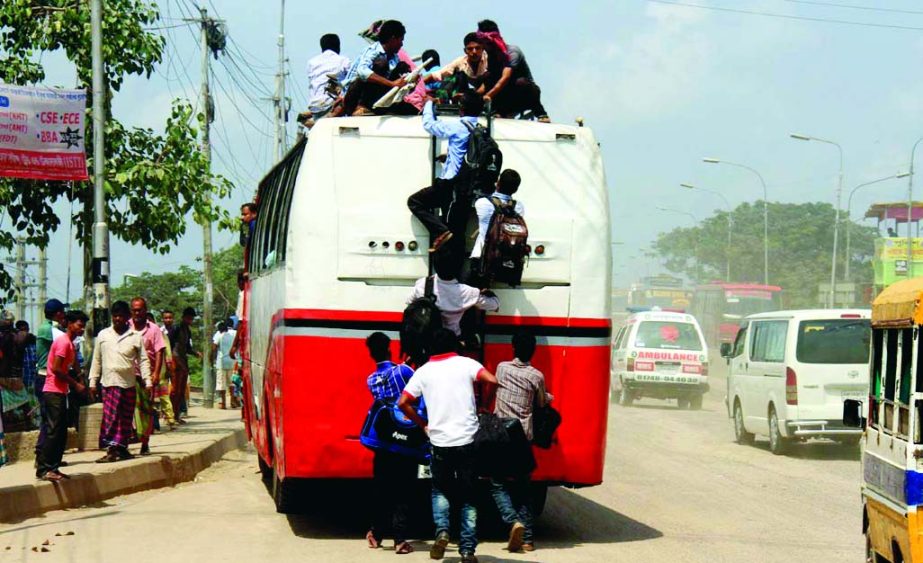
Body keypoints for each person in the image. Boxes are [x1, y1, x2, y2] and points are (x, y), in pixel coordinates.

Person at [398, 329, 498, 563]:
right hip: (468, 440)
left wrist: (423, 424)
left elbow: (403, 402)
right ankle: (467, 551)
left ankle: (442, 531)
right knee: (469, 496)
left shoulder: (424, 371)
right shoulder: (467, 364)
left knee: (440, 489)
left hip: (439, 441)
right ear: (455, 345)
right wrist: (484, 404)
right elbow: (492, 380)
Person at [490, 333, 550, 553]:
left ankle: (512, 520)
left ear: (513, 348)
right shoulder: (536, 376)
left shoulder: (502, 368)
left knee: (497, 484)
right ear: (533, 351)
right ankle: (528, 540)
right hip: (522, 437)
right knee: (523, 489)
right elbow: (542, 403)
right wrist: (548, 397)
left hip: (501, 435)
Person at [406, 92, 485, 252]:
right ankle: (455, 273)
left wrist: (429, 104)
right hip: (467, 188)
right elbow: (468, 153)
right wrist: (449, 157)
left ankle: (441, 231)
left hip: (449, 184)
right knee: (459, 229)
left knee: (415, 202)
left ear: (461, 109)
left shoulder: (458, 126)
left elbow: (430, 126)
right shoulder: (481, 129)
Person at [363, 332, 416, 555]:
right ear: (389, 347)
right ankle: (400, 540)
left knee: (382, 488)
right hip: (405, 440)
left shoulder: (371, 379)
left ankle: (375, 532)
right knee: (403, 489)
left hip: (382, 439)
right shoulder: (404, 371)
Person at [90, 301, 152, 462]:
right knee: (111, 417)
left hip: (128, 383)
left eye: (121, 316)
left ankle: (122, 448)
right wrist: (92, 381)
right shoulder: (103, 335)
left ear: (127, 318)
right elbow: (96, 360)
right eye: (115, 316)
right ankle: (112, 449)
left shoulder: (135, 337)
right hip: (109, 383)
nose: (117, 319)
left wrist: (148, 380)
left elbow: (143, 360)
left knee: (125, 417)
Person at [35, 310, 88, 481]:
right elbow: (57, 369)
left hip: (61, 391)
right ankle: (44, 468)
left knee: (61, 431)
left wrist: (80, 379)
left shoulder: (70, 344)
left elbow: (73, 365)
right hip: (53, 390)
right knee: (54, 431)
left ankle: (54, 467)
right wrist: (76, 384)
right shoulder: (63, 343)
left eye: (83, 326)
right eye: (79, 325)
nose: (82, 329)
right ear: (70, 324)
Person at [408, 250, 499, 337]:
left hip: (427, 339)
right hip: (450, 340)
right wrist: (488, 293)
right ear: (458, 268)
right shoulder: (468, 292)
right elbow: (495, 305)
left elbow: (409, 302)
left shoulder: (422, 284)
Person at [477, 20, 549, 122]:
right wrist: (474, 96)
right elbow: (489, 80)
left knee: (521, 83)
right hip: (505, 96)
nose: (485, 47)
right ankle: (500, 111)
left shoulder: (512, 52)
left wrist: (488, 95)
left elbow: (505, 78)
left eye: (487, 43)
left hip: (523, 94)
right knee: (487, 76)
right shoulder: (491, 56)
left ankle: (541, 113)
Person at [339, 20, 414, 116]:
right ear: (393, 39)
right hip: (354, 97)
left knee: (402, 67)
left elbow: (397, 81)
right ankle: (361, 106)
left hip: (376, 97)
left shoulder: (394, 58)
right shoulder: (373, 51)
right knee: (381, 64)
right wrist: (392, 84)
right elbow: (362, 72)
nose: (402, 44)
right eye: (401, 40)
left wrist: (409, 82)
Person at [130, 298, 166, 455]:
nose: (137, 313)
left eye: (140, 310)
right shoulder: (126, 327)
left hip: (147, 376)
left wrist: (156, 373)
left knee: (146, 409)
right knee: (129, 409)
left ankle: (145, 442)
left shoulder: (154, 329)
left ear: (145, 310)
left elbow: (159, 351)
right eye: (134, 310)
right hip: (129, 374)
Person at [33, 299, 67, 459]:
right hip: (46, 377)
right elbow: (66, 340)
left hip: (45, 377)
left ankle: (47, 455)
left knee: (51, 419)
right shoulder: (50, 330)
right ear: (58, 313)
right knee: (51, 421)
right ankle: (42, 454)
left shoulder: (46, 328)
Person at [471, 169, 524, 269]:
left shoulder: (482, 203)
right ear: (516, 189)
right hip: (507, 260)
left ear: (498, 183)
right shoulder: (519, 207)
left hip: (482, 257)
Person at [306, 33, 351, 119]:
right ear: (338, 47)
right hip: (332, 104)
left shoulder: (311, 63)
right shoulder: (343, 60)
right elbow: (353, 77)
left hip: (315, 106)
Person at [169, 307, 198, 424]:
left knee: (181, 391)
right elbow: (169, 344)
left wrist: (195, 353)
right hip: (175, 360)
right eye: (188, 318)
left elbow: (187, 348)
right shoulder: (176, 328)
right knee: (175, 390)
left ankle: (176, 415)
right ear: (184, 317)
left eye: (191, 319)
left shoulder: (187, 331)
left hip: (183, 360)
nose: (189, 320)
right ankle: (170, 416)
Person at [148, 312, 176, 428]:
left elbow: (168, 353)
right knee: (151, 398)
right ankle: (153, 424)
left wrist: (169, 368)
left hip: (161, 371)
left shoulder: (161, 335)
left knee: (164, 396)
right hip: (146, 371)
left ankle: (170, 419)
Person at [212, 320, 236, 409]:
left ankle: (223, 403)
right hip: (232, 361)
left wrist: (211, 356)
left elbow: (214, 347)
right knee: (231, 382)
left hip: (221, 362)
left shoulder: (219, 335)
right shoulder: (232, 336)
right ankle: (232, 401)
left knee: (221, 383)